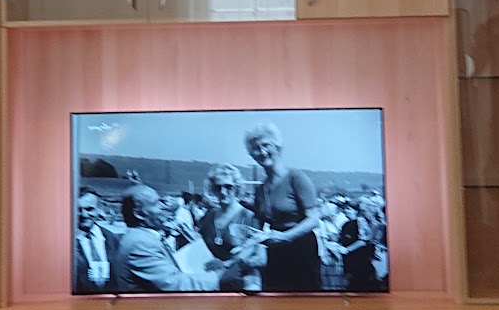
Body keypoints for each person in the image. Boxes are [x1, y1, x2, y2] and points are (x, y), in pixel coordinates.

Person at [111, 185, 248, 293]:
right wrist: (222, 277)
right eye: (156, 203)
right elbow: (174, 283)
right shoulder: (140, 243)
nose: (164, 206)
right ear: (138, 213)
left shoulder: (140, 238)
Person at [245, 122, 323, 293]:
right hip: (276, 252)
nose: (262, 152)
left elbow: (314, 218)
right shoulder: (261, 189)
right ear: (252, 155)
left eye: (266, 145)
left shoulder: (296, 178)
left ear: (278, 147)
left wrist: (286, 237)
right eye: (256, 148)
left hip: (302, 251)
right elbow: (258, 226)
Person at [72, 189, 117, 295]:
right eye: (78, 210)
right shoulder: (67, 241)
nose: (84, 215)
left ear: (99, 209)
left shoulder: (112, 238)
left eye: (89, 209)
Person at [337, 198, 380, 291]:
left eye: (349, 209)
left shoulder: (360, 222)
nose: (346, 211)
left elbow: (363, 241)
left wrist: (347, 249)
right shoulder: (346, 224)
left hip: (360, 261)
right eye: (345, 209)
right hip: (351, 262)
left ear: (356, 211)